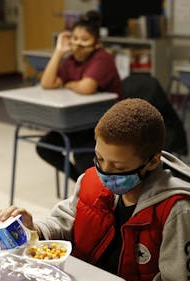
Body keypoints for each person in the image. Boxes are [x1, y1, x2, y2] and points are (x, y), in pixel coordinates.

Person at [0, 98, 190, 281]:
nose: (105, 172)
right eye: (100, 158)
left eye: (120, 168)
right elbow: (66, 222)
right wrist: (35, 230)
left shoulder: (178, 212)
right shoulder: (92, 181)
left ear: (152, 161)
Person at [38, 10, 122, 181]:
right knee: (44, 147)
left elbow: (87, 87)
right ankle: (80, 182)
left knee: (85, 161)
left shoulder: (102, 58)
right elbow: (47, 83)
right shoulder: (71, 61)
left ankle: (88, 185)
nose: (78, 44)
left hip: (102, 126)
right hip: (78, 122)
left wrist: (67, 84)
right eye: (74, 39)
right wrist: (59, 52)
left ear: (97, 43)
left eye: (85, 40)